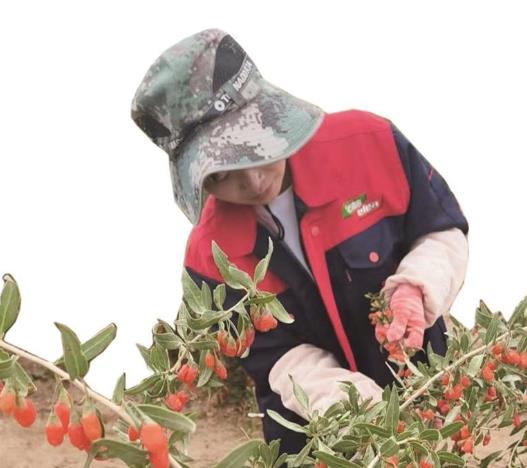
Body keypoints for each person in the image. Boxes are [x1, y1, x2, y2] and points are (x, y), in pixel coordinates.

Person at [130, 28, 469, 455]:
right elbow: (275, 358)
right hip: (313, 440)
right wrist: (354, 410)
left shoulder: (369, 144)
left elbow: (441, 230)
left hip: (426, 400)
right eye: (222, 174)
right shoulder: (209, 258)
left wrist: (416, 288)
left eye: (258, 145)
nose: (254, 181)